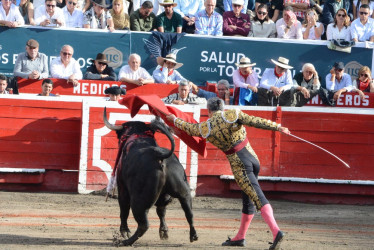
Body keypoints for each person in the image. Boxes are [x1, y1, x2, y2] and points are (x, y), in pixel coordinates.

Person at [165, 97, 289, 250]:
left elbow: (189, 128)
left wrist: (174, 120)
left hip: (240, 165)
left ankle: (276, 231)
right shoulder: (233, 114)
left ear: (209, 111)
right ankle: (240, 237)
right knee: (248, 199)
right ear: (222, 107)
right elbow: (255, 121)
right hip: (252, 158)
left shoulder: (206, 127)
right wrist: (277, 127)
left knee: (257, 197)